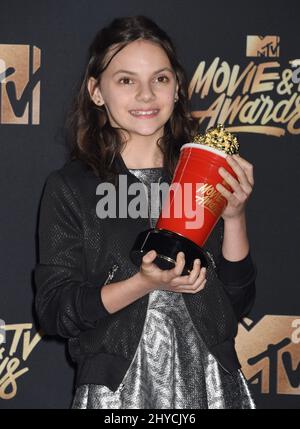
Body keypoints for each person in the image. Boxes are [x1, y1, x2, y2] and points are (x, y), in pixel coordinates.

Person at [34, 15, 257, 409]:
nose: (145, 95)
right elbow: (55, 311)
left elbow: (236, 303)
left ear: (177, 87)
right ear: (96, 91)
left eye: (160, 78)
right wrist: (144, 282)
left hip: (212, 385)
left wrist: (234, 216)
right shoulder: (71, 187)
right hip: (118, 394)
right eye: (125, 80)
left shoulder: (203, 173)